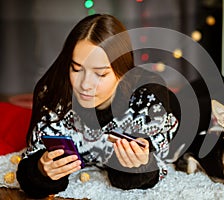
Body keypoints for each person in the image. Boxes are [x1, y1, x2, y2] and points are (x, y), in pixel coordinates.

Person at [16, 14, 180, 198]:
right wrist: (41, 170)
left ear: (123, 73)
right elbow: (31, 160)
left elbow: (155, 168)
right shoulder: (54, 94)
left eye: (100, 74)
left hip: (178, 108)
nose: (85, 84)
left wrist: (140, 165)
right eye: (77, 69)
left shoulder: (148, 101)